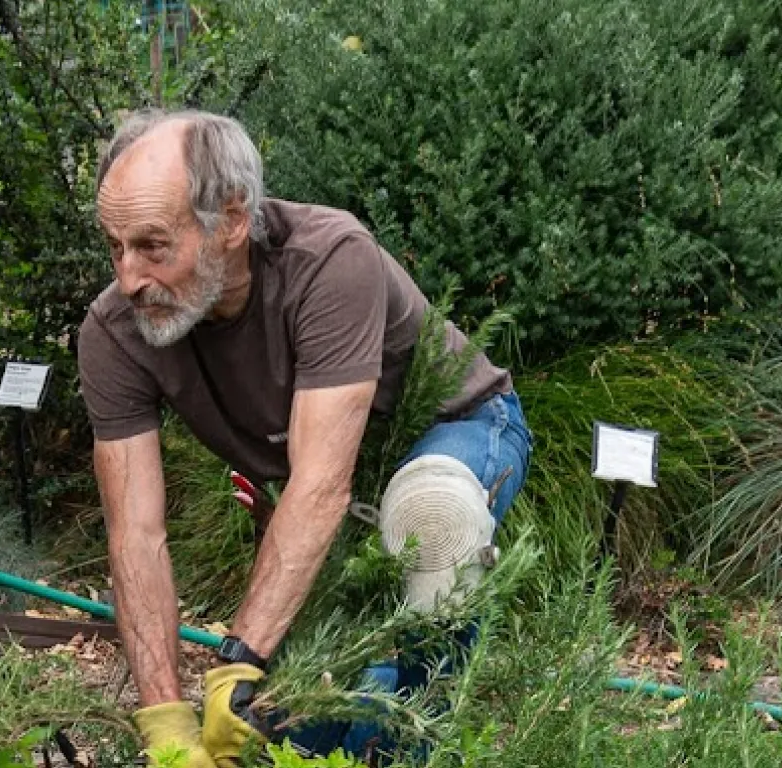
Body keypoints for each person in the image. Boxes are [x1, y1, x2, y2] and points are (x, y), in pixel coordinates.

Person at [77, 109, 531, 766]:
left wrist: (238, 661)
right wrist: (166, 720)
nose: (128, 277)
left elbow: (321, 485)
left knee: (434, 524)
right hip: (319, 491)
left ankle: (405, 747)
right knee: (284, 735)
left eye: (153, 246)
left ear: (231, 221)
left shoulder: (328, 261)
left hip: (458, 430)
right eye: (114, 245)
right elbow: (136, 538)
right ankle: (358, 708)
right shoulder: (114, 334)